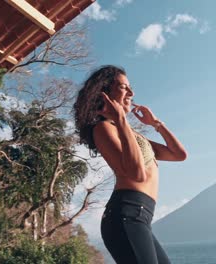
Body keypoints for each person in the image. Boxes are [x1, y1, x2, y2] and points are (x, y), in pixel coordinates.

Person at [73, 65, 187, 263]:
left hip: (140, 217)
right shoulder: (104, 128)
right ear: (105, 92)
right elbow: (137, 175)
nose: (132, 93)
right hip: (125, 214)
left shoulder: (131, 135)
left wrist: (156, 124)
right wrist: (120, 119)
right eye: (124, 87)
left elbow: (178, 154)